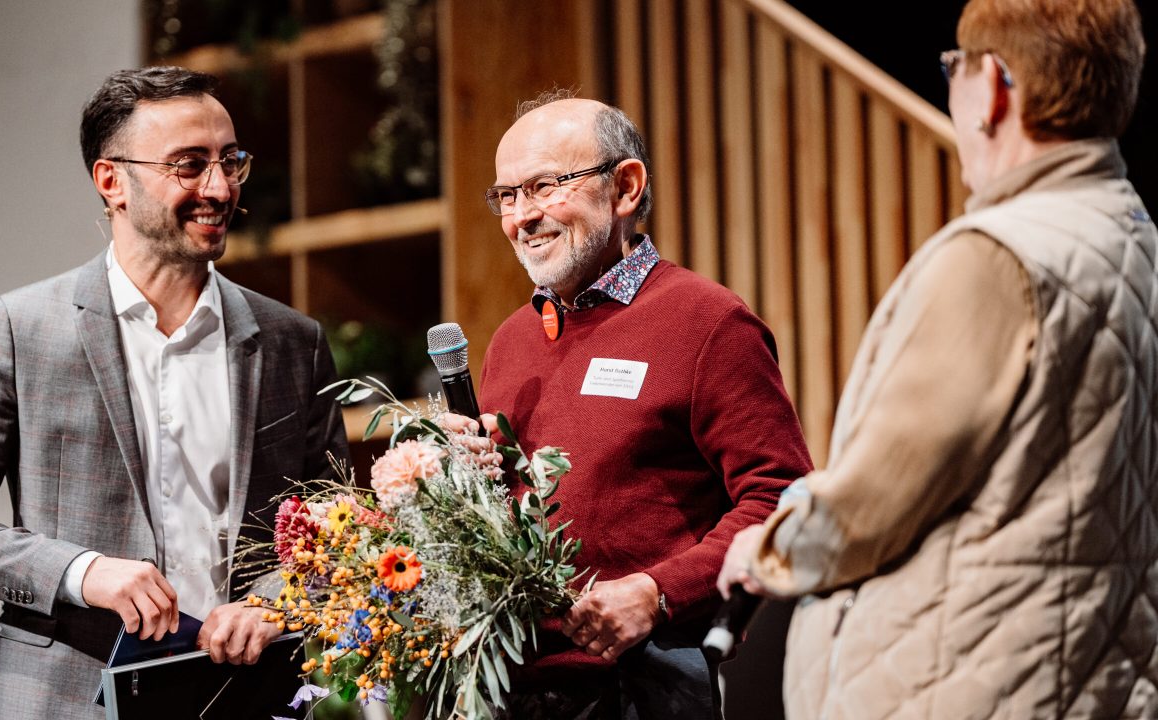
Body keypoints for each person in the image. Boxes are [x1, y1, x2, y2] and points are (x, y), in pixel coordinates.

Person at [718, 1, 1156, 718]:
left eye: (957, 67)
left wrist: (769, 551)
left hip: (972, 684)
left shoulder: (996, 257)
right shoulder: (1132, 232)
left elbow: (875, 501)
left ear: (996, 89)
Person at [0, 67, 349, 720]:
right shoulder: (24, 328)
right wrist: (82, 572)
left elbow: (334, 520)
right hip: (66, 700)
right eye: (189, 165)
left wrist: (277, 600)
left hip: (246, 697)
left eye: (230, 161)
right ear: (111, 181)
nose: (220, 188)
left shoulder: (291, 341)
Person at [476, 91, 813, 718]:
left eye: (544, 186)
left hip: (645, 688)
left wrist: (657, 593)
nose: (522, 216)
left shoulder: (707, 322)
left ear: (626, 188)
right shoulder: (510, 342)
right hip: (512, 690)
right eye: (507, 195)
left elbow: (784, 499)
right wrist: (462, 485)